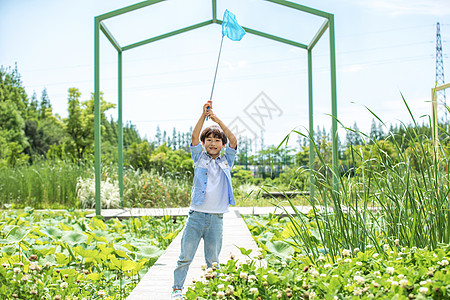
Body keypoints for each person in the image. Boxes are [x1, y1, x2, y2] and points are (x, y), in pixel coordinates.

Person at [171, 101, 238, 299]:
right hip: (196, 216)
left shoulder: (227, 160)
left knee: (213, 260)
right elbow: (193, 136)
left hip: (216, 219)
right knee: (185, 257)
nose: (212, 143)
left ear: (223, 145)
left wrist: (216, 119)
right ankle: (177, 289)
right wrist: (203, 115)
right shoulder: (199, 158)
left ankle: (213, 292)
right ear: (203, 143)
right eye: (209, 139)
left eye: (217, 140)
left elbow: (234, 140)